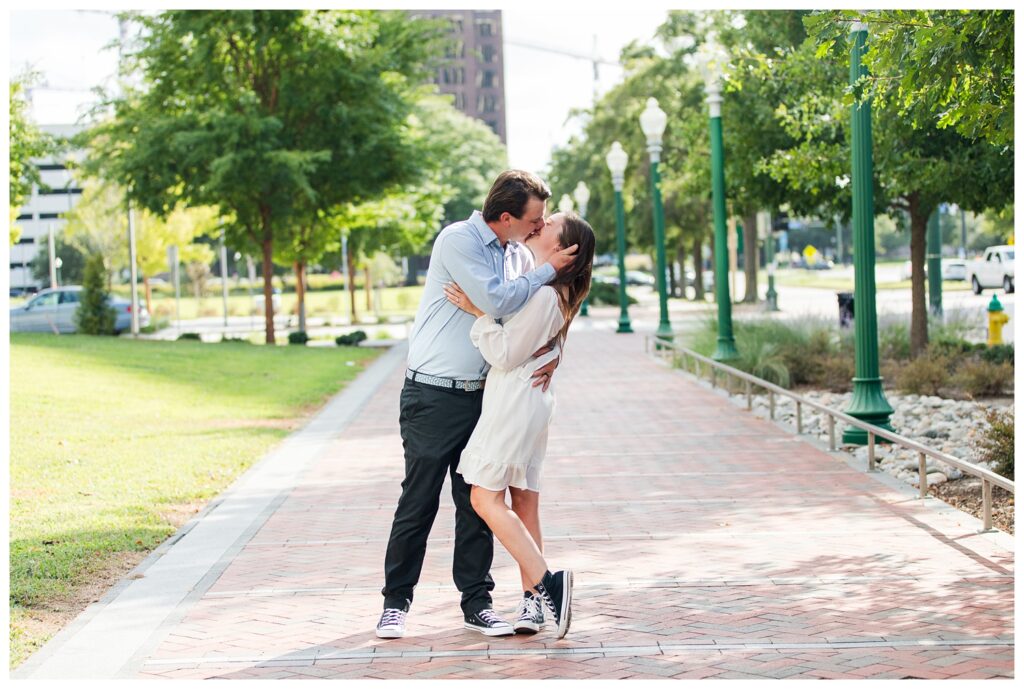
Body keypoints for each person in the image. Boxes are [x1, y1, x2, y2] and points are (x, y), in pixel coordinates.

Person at [377, 170, 578, 639]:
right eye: (534, 219)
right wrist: (549, 271)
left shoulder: (514, 256)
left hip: (484, 396)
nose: (538, 226)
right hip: (432, 394)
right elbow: (496, 300)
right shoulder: (458, 241)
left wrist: (553, 352)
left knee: (476, 504)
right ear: (506, 217)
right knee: (419, 500)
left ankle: (477, 603)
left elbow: (522, 314)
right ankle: (396, 602)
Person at [445, 211, 596, 640]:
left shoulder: (547, 295)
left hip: (514, 401)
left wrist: (478, 314)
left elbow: (507, 353)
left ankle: (549, 583)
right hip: (531, 400)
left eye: (550, 225)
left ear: (565, 250)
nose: (540, 225)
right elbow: (532, 343)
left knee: (483, 497)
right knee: (523, 500)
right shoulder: (554, 292)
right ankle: (534, 600)